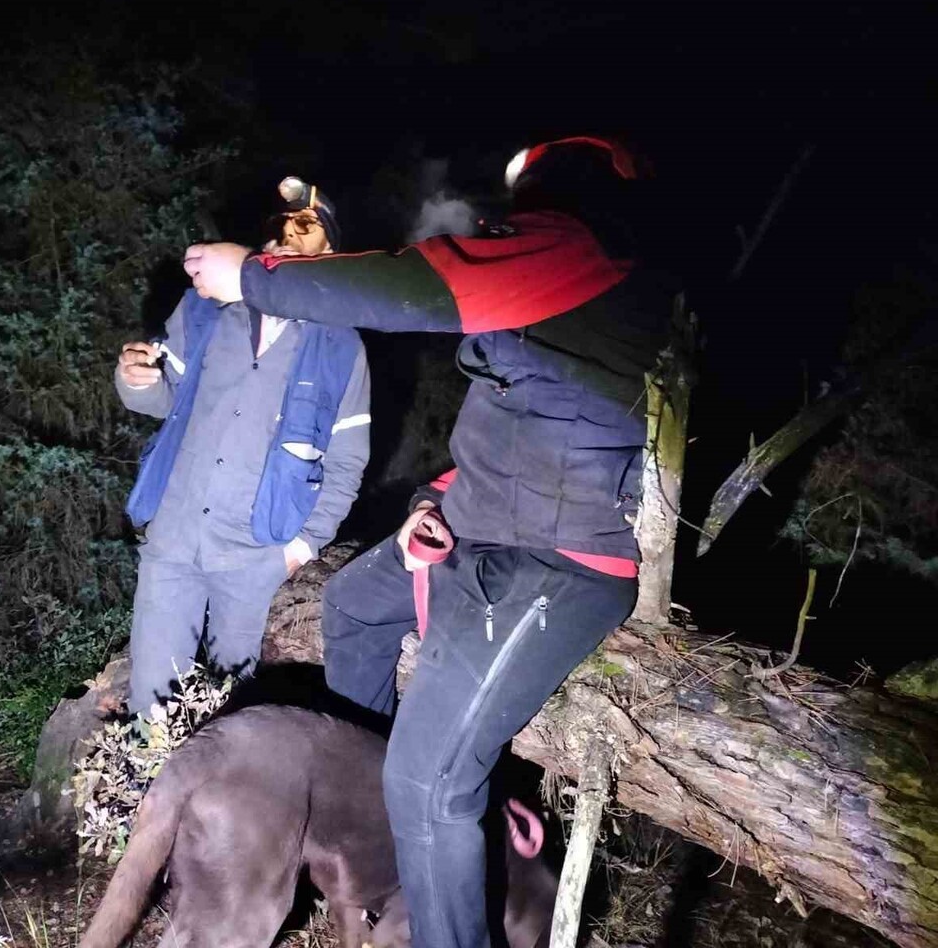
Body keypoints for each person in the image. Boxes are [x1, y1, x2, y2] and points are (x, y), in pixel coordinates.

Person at [183, 137, 675, 948]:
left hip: (563, 561)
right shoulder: (564, 280)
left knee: (434, 779)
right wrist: (427, 503)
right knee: (353, 605)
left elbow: (419, 286)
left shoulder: (586, 250)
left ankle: (424, 855)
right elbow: (512, 432)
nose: (512, 209)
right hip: (482, 527)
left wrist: (254, 278)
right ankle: (376, 827)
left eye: (531, 187)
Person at [117, 177, 370, 716]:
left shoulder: (343, 347)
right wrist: (136, 380)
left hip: (254, 553)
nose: (287, 237)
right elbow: (165, 401)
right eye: (279, 228)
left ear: (332, 252)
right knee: (151, 703)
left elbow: (348, 461)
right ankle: (145, 791)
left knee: (230, 705)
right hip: (175, 537)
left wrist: (302, 547)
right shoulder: (206, 311)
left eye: (307, 228)